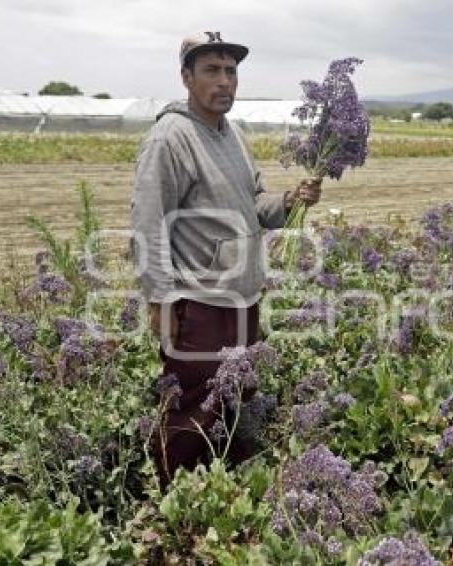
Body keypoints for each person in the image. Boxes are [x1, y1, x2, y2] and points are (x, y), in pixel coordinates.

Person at [131, 31, 321, 489]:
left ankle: (217, 493)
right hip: (199, 301)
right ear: (186, 77)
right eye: (211, 70)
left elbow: (255, 203)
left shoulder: (233, 134)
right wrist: (160, 300)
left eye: (231, 71)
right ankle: (164, 500)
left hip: (242, 297)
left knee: (232, 400)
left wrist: (292, 201)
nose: (224, 81)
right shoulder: (170, 137)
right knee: (194, 408)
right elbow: (148, 222)